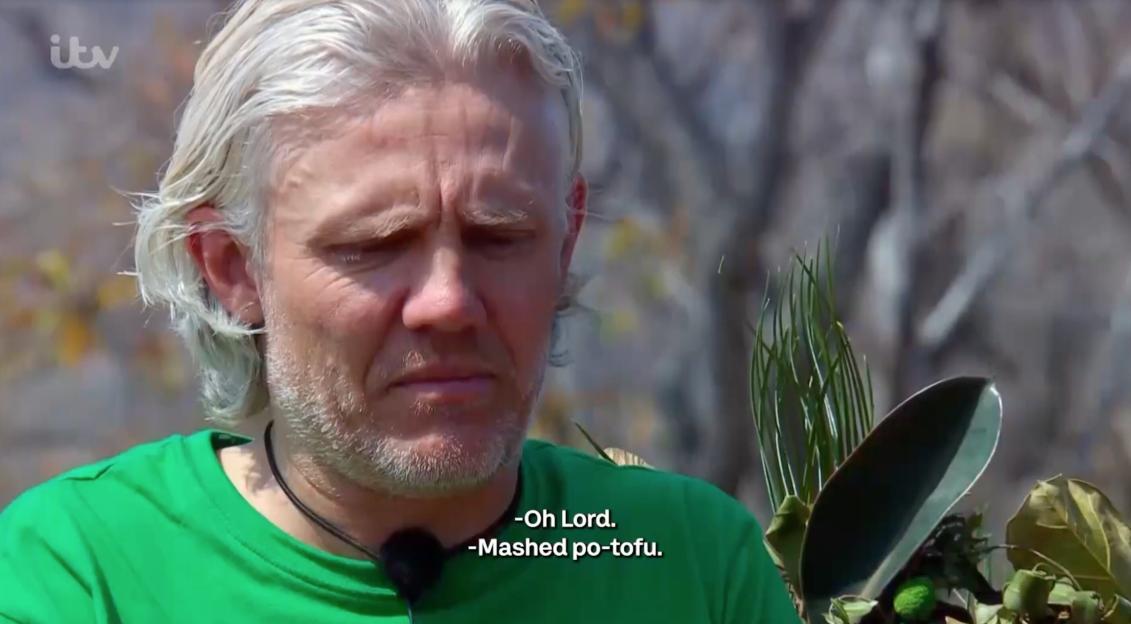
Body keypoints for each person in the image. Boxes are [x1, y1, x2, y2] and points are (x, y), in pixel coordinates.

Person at [0, 1, 799, 622]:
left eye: (499, 236)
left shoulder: (685, 566)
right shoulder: (78, 572)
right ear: (232, 266)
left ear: (565, 245)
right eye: (375, 245)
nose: (448, 302)